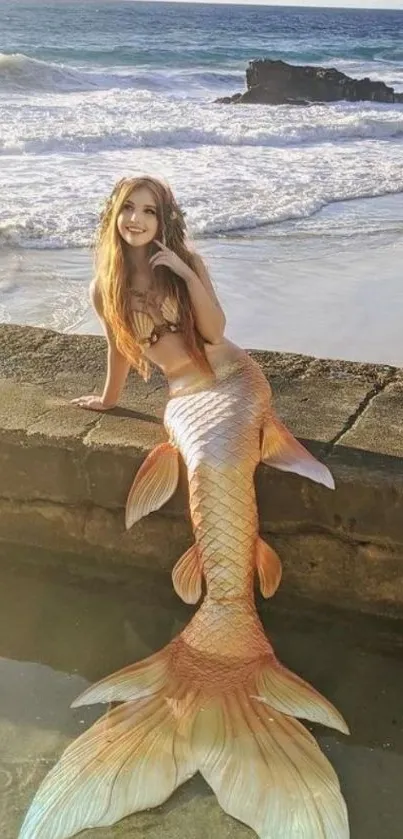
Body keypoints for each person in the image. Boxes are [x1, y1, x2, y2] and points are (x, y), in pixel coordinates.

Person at [19, 176, 349, 839]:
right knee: (202, 455)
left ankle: (230, 622)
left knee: (220, 458)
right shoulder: (104, 287)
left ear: (164, 219)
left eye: (150, 210)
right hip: (184, 400)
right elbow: (118, 349)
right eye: (128, 209)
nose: (138, 219)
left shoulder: (183, 266)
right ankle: (218, 636)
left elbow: (217, 330)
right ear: (113, 216)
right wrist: (108, 402)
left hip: (232, 380)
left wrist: (181, 267)